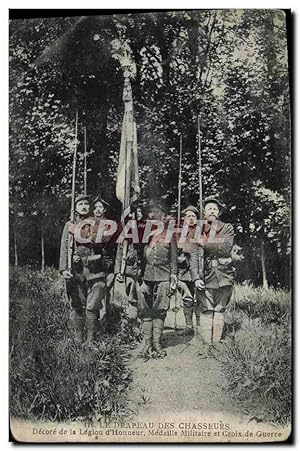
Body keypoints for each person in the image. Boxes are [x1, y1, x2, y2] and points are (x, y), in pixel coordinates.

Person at [59, 194, 112, 345]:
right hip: (76, 271)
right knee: (78, 304)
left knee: (93, 305)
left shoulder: (96, 223)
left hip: (95, 270)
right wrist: (63, 269)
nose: (83, 206)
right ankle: (78, 339)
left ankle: (91, 340)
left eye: (85, 204)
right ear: (75, 208)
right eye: (80, 204)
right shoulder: (68, 225)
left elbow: (99, 240)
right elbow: (64, 248)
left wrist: (77, 230)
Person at [190, 195, 234, 351]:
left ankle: (216, 343)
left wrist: (205, 243)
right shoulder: (198, 230)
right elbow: (194, 256)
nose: (212, 211)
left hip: (223, 275)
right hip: (205, 274)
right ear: (203, 212)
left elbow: (226, 247)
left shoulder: (227, 228)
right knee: (206, 309)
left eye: (215, 209)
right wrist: (195, 277)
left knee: (220, 309)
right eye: (209, 208)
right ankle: (207, 344)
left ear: (219, 213)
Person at [138, 201, 178, 358]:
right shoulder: (144, 234)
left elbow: (173, 258)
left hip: (163, 275)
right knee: (145, 310)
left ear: (164, 217)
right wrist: (138, 277)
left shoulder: (170, 235)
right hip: (146, 276)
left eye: (158, 214)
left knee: (160, 310)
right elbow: (138, 258)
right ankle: (147, 344)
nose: (154, 217)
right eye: (151, 215)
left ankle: (157, 344)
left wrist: (173, 276)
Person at [176, 205, 199, 335]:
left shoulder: (201, 231)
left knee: (200, 299)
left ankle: (201, 327)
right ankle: (189, 326)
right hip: (184, 270)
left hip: (199, 269)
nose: (191, 219)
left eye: (193, 216)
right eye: (188, 216)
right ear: (184, 218)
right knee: (187, 297)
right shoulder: (180, 232)